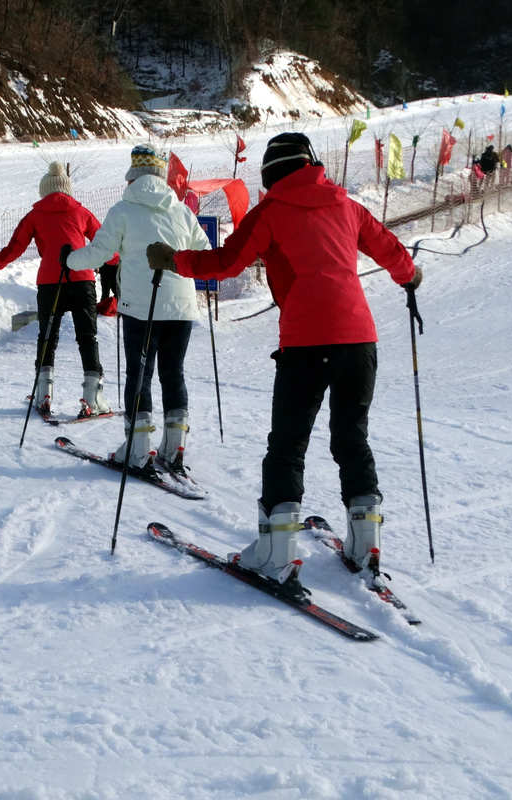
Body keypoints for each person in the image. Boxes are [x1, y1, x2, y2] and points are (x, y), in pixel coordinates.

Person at [146, 132, 422, 585]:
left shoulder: (272, 211)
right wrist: (410, 278)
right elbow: (390, 249)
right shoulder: (346, 205)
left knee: (288, 446)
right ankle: (365, 545)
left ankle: (277, 554)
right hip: (359, 340)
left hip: (305, 344)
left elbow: (228, 262)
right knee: (351, 438)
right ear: (312, 164)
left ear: (272, 172)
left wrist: (175, 261)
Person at [65, 144, 210, 474]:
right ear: (162, 176)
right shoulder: (181, 211)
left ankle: (138, 448)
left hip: (141, 309)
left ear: (133, 176)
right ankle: (174, 449)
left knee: (139, 375)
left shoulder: (124, 210)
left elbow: (98, 254)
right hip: (181, 308)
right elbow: (205, 252)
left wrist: (69, 259)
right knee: (173, 374)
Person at [0, 161, 116, 418]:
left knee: (47, 338)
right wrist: (115, 262)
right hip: (82, 280)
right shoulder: (81, 212)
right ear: (67, 190)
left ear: (44, 190)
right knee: (87, 337)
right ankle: (92, 398)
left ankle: (43, 394)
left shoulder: (34, 215)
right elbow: (105, 242)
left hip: (50, 283)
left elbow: (15, 248)